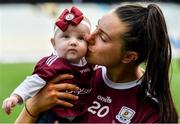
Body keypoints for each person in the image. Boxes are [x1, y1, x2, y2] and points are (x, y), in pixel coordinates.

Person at [15, 3, 179, 123]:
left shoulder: (152, 111)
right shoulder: (74, 72)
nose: (89, 37)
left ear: (129, 57)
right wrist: (33, 107)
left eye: (103, 37)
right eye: (96, 27)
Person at [3, 6, 94, 122]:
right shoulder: (53, 63)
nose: (73, 42)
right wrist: (15, 97)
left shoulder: (89, 62)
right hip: (52, 115)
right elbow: (33, 81)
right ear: (54, 43)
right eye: (66, 37)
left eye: (80, 38)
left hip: (79, 113)